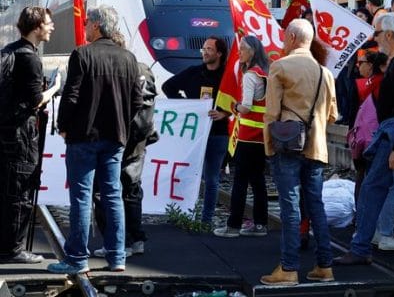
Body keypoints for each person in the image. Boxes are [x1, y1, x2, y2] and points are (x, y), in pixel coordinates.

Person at [49, 6, 143, 274]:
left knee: (81, 196)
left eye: (88, 21)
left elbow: (71, 96)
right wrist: (122, 124)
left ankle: (77, 259)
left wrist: (63, 126)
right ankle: (117, 257)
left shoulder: (82, 54)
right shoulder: (128, 58)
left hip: (83, 137)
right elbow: (137, 100)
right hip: (115, 138)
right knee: (113, 195)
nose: (86, 25)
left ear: (98, 26)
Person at [334, 13, 394, 265]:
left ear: (390, 35)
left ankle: (360, 248)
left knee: (372, 188)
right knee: (375, 188)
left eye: (378, 33)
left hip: (392, 134)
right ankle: (361, 246)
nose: (375, 38)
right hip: (392, 132)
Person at [260, 19, 338, 286]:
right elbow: (333, 115)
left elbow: (271, 112)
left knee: (290, 207)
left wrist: (269, 146)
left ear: (292, 38)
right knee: (315, 205)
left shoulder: (280, 66)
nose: (282, 41)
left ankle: (289, 268)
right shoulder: (325, 72)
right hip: (316, 147)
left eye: (284, 37)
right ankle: (324, 266)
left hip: (288, 145)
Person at [0, 7, 60, 265]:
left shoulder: (9, 51)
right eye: (48, 23)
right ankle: (13, 249)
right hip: (21, 136)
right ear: (37, 27)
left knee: (6, 189)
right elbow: (36, 100)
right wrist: (56, 87)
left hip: (5, 131)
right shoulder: (30, 58)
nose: (52, 27)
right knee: (21, 192)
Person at [93, 31, 158, 258]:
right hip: (139, 139)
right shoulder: (144, 69)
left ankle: (116, 242)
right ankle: (136, 238)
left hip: (118, 137)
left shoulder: (121, 70)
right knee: (131, 190)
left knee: (104, 191)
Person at [162, 36, 231, 226]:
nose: (205, 52)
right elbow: (168, 86)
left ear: (219, 53)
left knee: (211, 178)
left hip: (217, 133)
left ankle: (206, 219)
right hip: (193, 135)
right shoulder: (193, 73)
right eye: (204, 48)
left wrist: (224, 113)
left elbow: (238, 100)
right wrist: (187, 106)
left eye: (209, 49)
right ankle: (180, 214)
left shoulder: (227, 77)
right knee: (184, 174)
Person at [214, 35, 270, 238]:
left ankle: (233, 225)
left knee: (240, 181)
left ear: (253, 52)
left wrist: (235, 107)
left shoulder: (249, 76)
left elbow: (246, 106)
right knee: (258, 181)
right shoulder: (265, 74)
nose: (240, 52)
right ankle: (260, 224)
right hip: (261, 137)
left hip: (246, 136)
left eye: (244, 49)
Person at [349, 51, 388, 206]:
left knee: (362, 176)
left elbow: (352, 114)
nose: (358, 66)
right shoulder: (384, 82)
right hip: (380, 137)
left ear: (371, 65)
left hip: (361, 139)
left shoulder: (359, 85)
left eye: (361, 62)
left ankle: (360, 214)